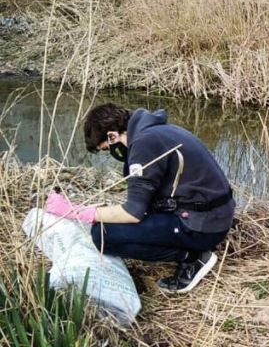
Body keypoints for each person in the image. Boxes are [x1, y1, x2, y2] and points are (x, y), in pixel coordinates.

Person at [45, 103, 235, 294]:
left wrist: (78, 212)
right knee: (114, 222)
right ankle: (190, 248)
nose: (112, 154)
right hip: (212, 215)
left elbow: (133, 213)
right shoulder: (157, 131)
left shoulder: (144, 144)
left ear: (112, 136)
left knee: (102, 235)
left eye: (106, 148)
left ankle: (192, 257)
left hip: (202, 226)